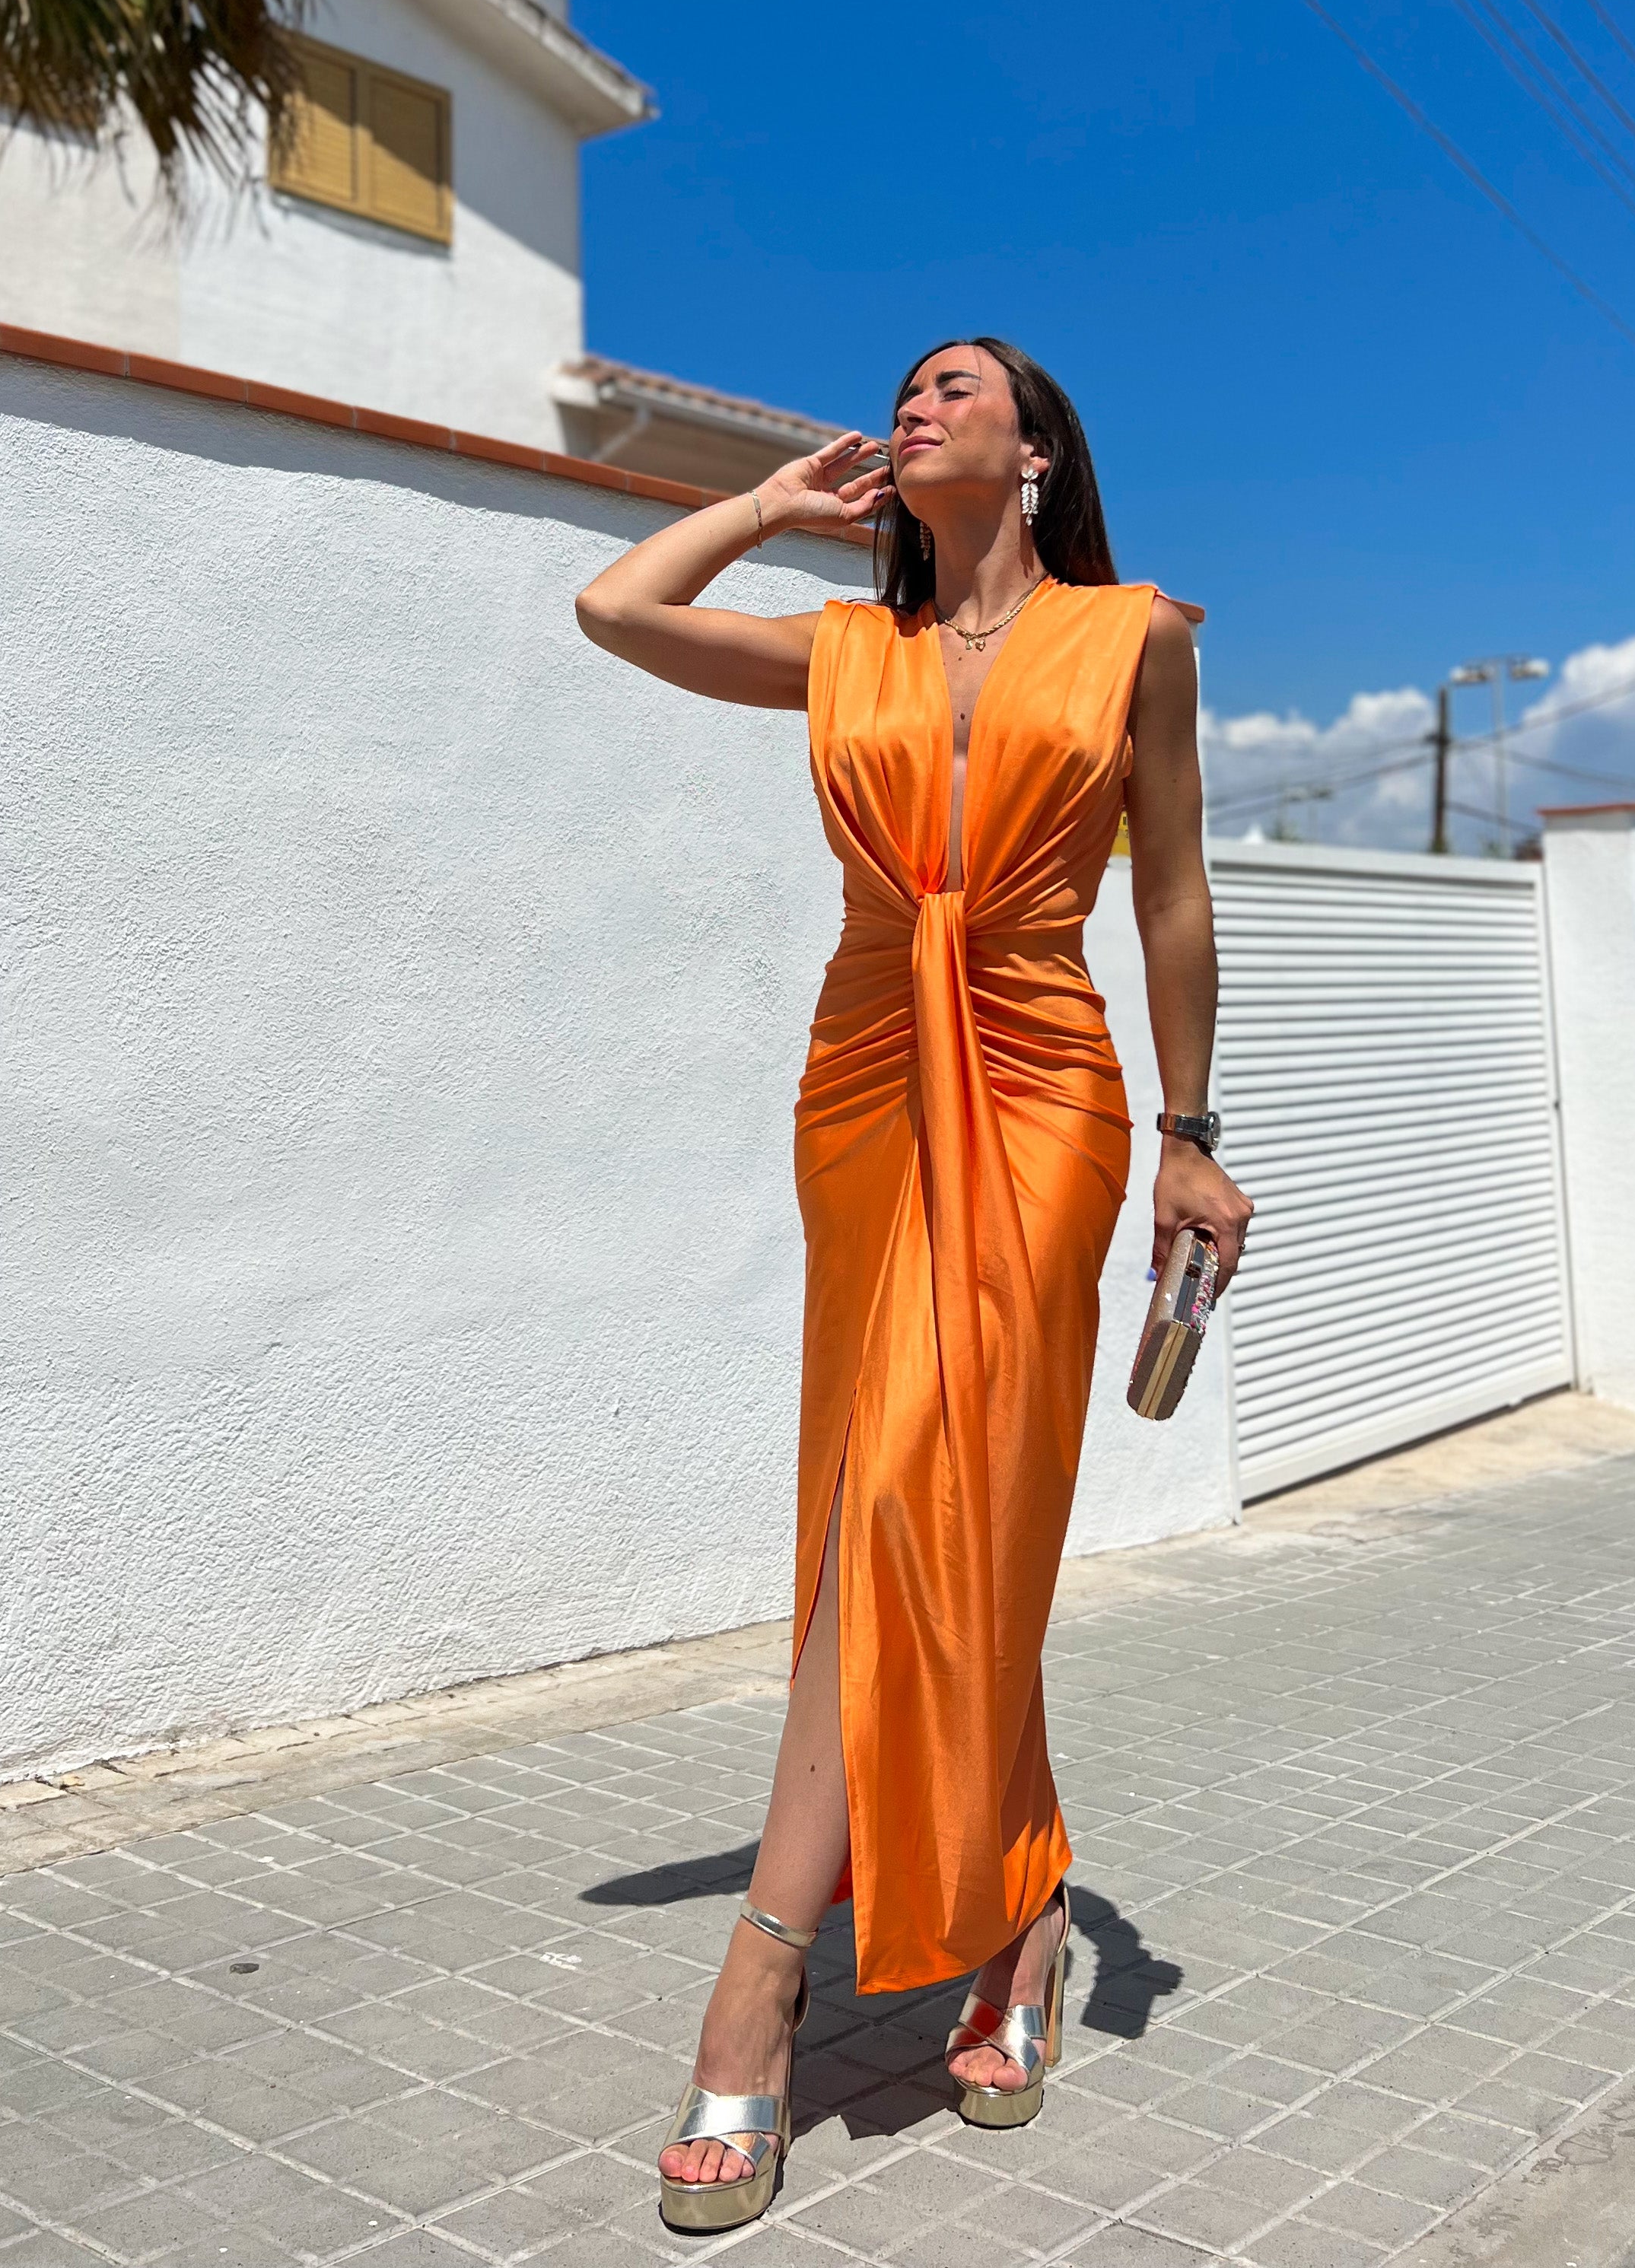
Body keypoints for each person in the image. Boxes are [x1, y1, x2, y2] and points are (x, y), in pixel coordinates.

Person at [575, 336, 1252, 2233]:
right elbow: (614, 603)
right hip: (867, 1062)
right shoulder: (841, 644)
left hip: (1042, 1074)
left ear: (1036, 445)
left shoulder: (1137, 638)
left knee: (926, 1493)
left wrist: (1192, 1132)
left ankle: (768, 1962)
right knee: (898, 1500)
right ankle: (1019, 1911)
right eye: (908, 385)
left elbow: (1175, 892)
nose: (917, 403)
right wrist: (773, 507)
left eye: (958, 385)